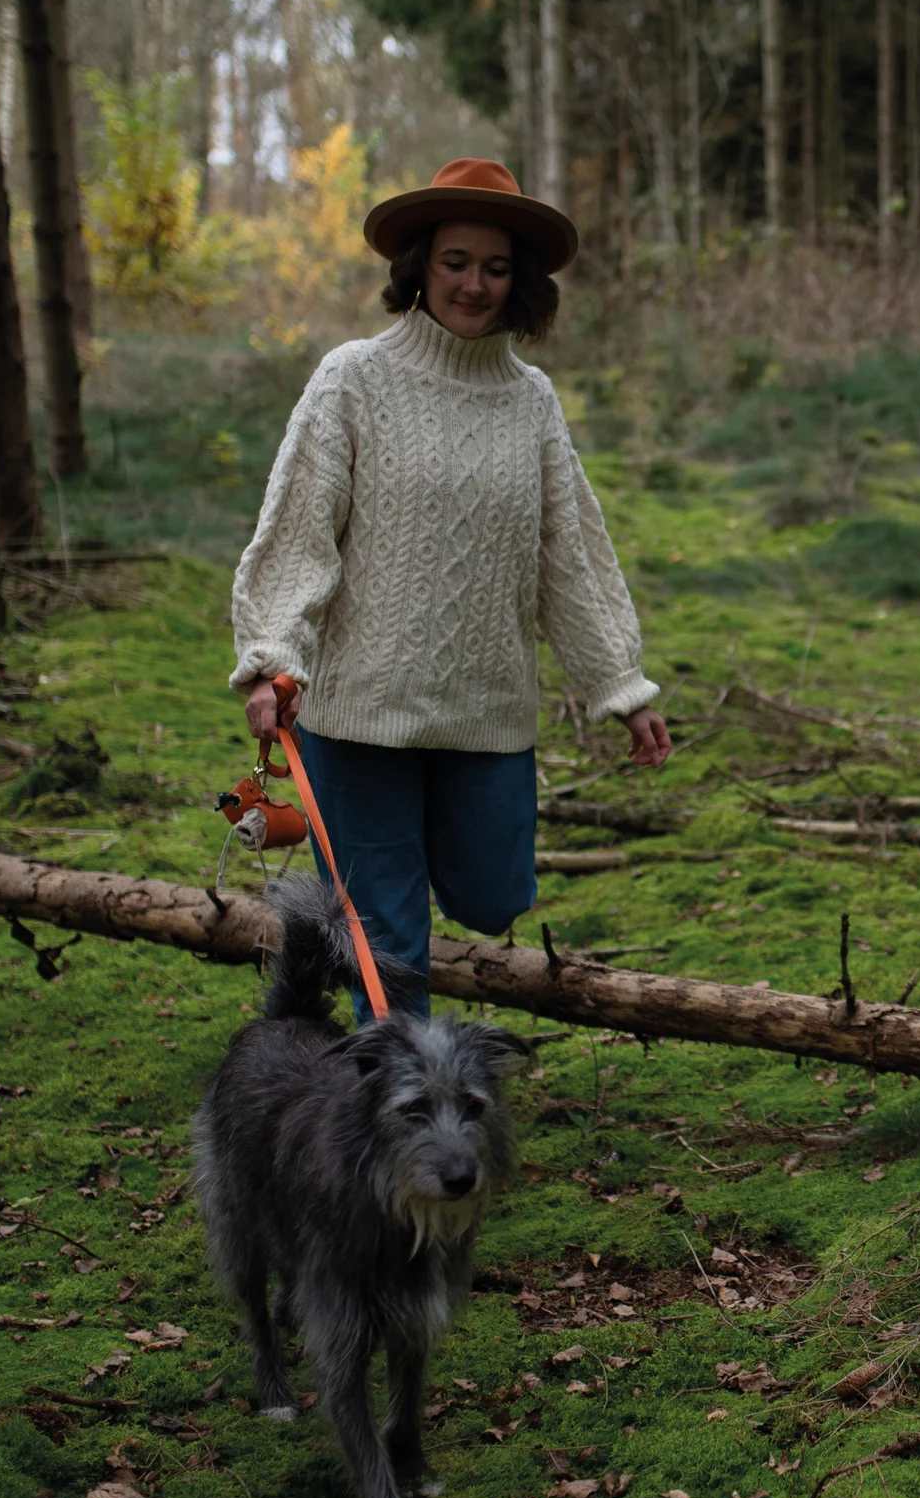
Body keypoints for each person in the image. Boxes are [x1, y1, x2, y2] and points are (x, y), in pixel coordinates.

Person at [228, 158, 668, 1016]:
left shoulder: (532, 401)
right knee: (387, 942)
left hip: (485, 712)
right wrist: (273, 657)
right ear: (420, 268)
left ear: (520, 282)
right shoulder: (352, 379)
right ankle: (393, 1127)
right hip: (362, 713)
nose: (474, 284)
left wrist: (622, 685)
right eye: (456, 262)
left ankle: (381, 894)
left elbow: (568, 555)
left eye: (495, 268)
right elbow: (299, 533)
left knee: (492, 896)